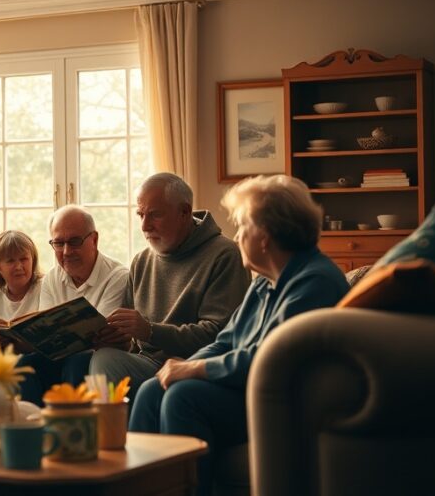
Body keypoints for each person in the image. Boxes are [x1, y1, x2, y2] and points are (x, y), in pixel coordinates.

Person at [128, 175, 350, 496]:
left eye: (243, 226)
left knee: (183, 398)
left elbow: (267, 358)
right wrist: (177, 369)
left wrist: (193, 369)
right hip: (247, 389)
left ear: (265, 235)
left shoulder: (314, 282)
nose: (237, 235)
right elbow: (226, 340)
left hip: (281, 399)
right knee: (152, 390)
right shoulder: (265, 280)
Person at [90, 173, 250, 398]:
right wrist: (115, 338)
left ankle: (111, 432)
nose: (145, 226)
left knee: (105, 362)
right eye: (140, 215)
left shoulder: (224, 255)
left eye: (154, 215)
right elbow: (133, 341)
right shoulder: (142, 260)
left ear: (184, 212)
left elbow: (219, 335)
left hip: (191, 366)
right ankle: (109, 431)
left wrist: (150, 331)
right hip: (147, 362)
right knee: (91, 358)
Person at [18, 205, 129, 405]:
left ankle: (74, 431)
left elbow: (99, 338)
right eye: (58, 243)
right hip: (62, 356)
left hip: (96, 358)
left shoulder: (118, 277)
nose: (66, 252)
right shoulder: (52, 278)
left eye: (75, 242)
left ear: (94, 240)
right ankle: (35, 429)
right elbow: (47, 332)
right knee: (23, 365)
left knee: (79, 361)